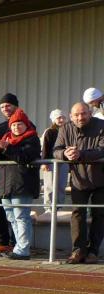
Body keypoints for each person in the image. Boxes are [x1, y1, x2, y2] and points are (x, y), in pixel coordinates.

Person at [53, 102, 104, 264]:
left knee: (99, 214)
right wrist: (65, 154)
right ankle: (78, 250)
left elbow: (102, 150)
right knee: (77, 214)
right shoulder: (65, 128)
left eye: (83, 114)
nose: (80, 117)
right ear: (71, 116)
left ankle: (93, 251)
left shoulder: (101, 126)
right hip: (78, 179)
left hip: (101, 178)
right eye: (76, 115)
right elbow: (56, 150)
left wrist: (80, 154)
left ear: (90, 113)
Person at [0, 108, 41, 260]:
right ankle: (20, 247)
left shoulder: (32, 139)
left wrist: (6, 148)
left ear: (26, 125)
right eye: (13, 125)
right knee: (11, 217)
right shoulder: (6, 139)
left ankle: (23, 249)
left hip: (22, 184)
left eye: (19, 124)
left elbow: (24, 157)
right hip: (5, 184)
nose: (16, 127)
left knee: (21, 216)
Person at [0, 93, 27, 254]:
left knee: (18, 214)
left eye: (8, 105)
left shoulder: (27, 125)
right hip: (0, 175)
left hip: (17, 176)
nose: (5, 109)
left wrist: (6, 149)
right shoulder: (0, 127)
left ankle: (18, 245)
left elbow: (27, 152)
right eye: (2, 106)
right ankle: (2, 242)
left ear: (16, 106)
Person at [40, 109, 69, 210]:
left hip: (64, 162)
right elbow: (45, 147)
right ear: (53, 120)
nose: (61, 120)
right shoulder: (50, 131)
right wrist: (44, 162)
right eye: (58, 118)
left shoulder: (68, 131)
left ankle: (59, 207)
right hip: (51, 162)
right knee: (50, 186)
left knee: (61, 185)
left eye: (63, 117)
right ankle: (49, 208)